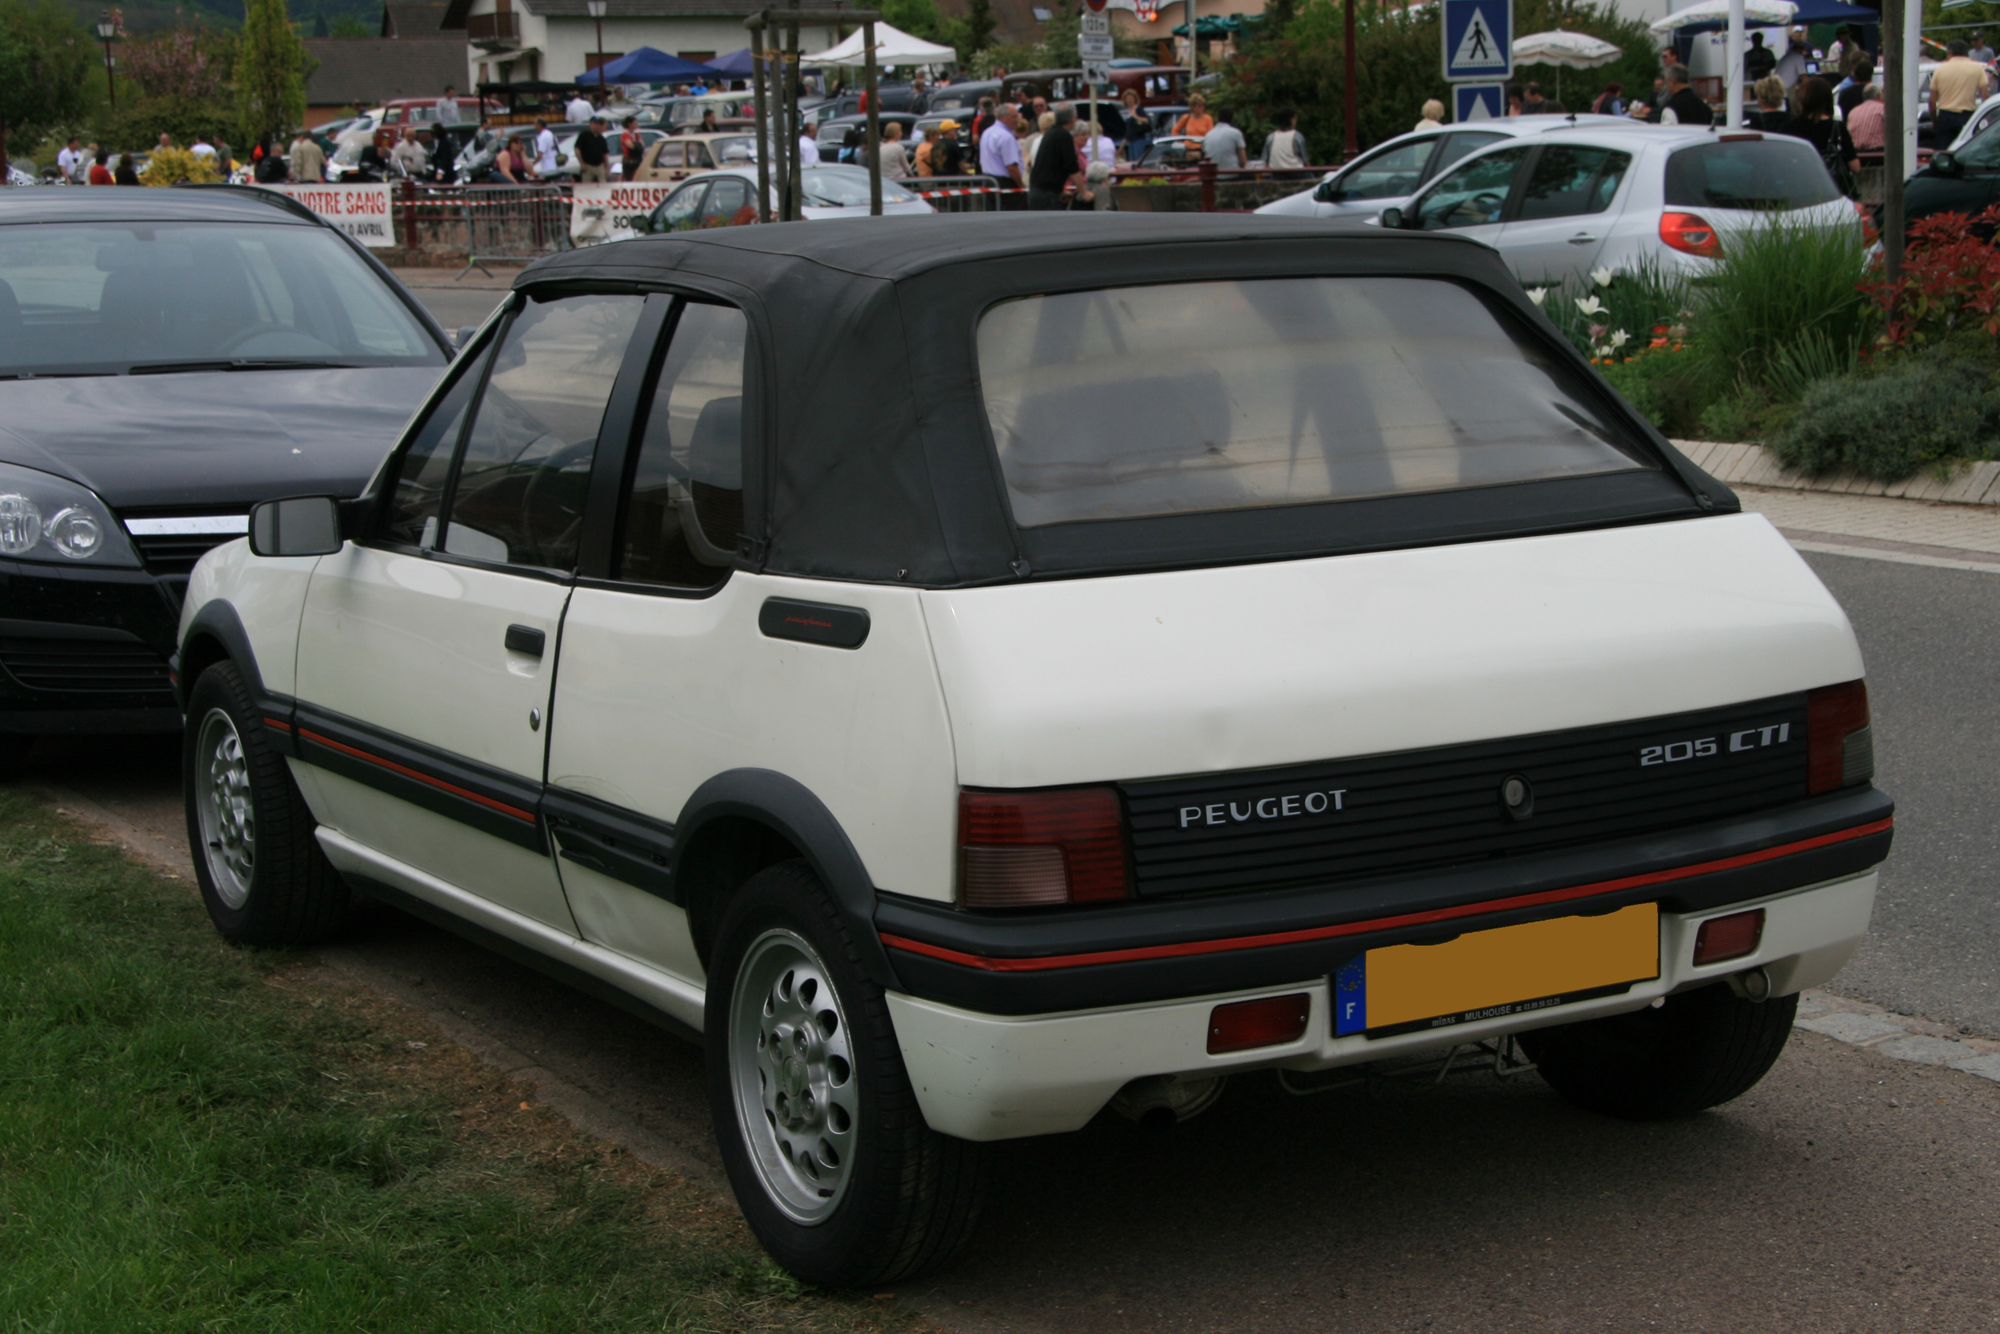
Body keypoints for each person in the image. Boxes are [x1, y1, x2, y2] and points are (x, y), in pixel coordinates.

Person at [1796, 76, 1858, 194]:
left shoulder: (1791, 128)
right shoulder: (1837, 128)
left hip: (1801, 192)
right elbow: (1855, 166)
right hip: (1833, 192)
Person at [1027, 104, 1089, 209]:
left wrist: (1061, 190)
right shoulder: (1064, 136)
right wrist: (1084, 192)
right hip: (1048, 196)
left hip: (1037, 191)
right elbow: (1072, 166)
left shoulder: (1051, 133)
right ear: (1072, 118)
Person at [1931, 40, 1988, 148]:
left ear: (1950, 52)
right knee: (1967, 150)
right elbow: (1985, 95)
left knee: (1943, 152)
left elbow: (1932, 100)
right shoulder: (1977, 68)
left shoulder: (1940, 70)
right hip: (1968, 116)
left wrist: (1935, 120)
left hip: (1945, 115)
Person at [979, 102, 1025, 187]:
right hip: (1005, 183)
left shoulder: (987, 132)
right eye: (1014, 117)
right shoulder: (1006, 137)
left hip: (989, 181)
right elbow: (1011, 167)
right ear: (1003, 117)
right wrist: (1021, 185)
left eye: (1017, 116)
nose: (1017, 120)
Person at [1846, 84, 1885, 153]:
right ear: (1879, 96)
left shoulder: (1853, 111)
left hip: (1857, 155)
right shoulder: (1882, 108)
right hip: (1878, 154)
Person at [1119, 88, 1153, 164]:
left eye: (1131, 99)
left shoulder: (1138, 109)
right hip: (1131, 141)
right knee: (1131, 162)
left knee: (1138, 162)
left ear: (1135, 99)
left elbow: (1147, 121)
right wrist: (1121, 147)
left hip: (1139, 140)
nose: (1129, 100)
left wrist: (1135, 116)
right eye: (1127, 99)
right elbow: (1128, 132)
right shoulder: (1127, 112)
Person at [575, 115, 610, 181]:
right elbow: (577, 149)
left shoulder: (601, 138)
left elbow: (605, 154)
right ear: (591, 124)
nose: (597, 126)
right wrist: (582, 163)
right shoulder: (584, 135)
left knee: (603, 185)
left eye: (598, 124)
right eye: (595, 124)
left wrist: (606, 168)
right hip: (588, 165)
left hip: (599, 165)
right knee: (587, 186)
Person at [619, 115, 645, 179]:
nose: (636, 125)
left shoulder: (636, 134)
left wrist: (637, 145)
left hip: (637, 159)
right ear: (629, 124)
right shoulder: (625, 134)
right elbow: (630, 145)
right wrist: (637, 145)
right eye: (635, 123)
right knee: (629, 177)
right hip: (628, 159)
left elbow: (643, 144)